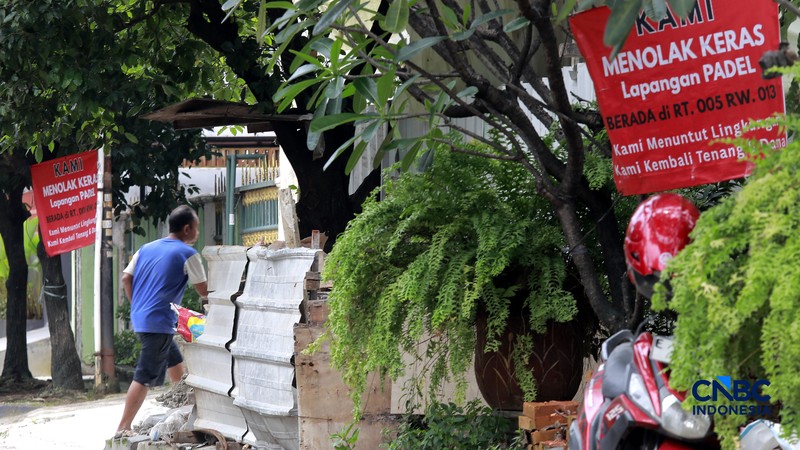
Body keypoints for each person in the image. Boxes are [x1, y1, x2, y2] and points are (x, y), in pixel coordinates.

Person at [115, 205, 208, 437]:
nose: (196, 233)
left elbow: (127, 278)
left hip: (144, 318)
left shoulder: (146, 248)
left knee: (174, 362)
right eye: (196, 228)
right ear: (187, 229)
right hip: (158, 321)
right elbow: (205, 290)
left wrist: (137, 304)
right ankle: (123, 427)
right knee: (144, 375)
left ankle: (181, 410)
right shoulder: (188, 254)